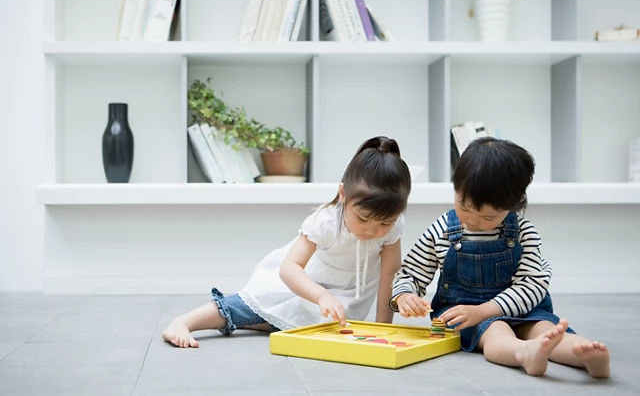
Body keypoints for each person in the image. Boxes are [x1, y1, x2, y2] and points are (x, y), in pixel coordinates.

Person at [390, 137, 610, 378]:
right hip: (467, 314)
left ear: (513, 205)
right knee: (496, 331)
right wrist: (404, 295)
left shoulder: (523, 232)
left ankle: (585, 356)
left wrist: (486, 309)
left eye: (487, 218)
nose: (472, 220)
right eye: (463, 207)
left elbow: (532, 284)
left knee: (545, 329)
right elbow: (412, 272)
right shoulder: (442, 230)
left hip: (523, 309)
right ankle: (522, 353)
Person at [163, 136, 412, 348]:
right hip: (301, 287)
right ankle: (184, 321)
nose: (372, 230)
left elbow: (389, 274)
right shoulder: (324, 221)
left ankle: (270, 322)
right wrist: (321, 296)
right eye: (363, 219)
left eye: (384, 223)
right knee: (242, 307)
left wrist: (382, 329)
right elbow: (289, 268)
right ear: (343, 194)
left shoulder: (393, 228)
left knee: (317, 329)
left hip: (340, 302)